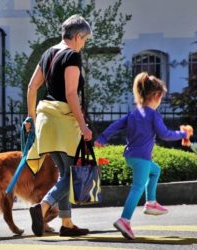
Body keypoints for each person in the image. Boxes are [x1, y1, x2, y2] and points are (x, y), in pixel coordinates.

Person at [94, 72, 193, 240]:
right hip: (142, 159)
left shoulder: (134, 113)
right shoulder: (153, 114)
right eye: (160, 98)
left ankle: (151, 202)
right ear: (155, 95)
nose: (160, 101)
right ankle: (124, 220)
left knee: (155, 170)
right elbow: (165, 134)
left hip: (130, 156)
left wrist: (102, 138)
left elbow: (116, 124)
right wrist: (182, 134)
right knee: (137, 188)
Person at [24, 14, 92, 237]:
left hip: (45, 120)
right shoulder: (72, 55)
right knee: (72, 175)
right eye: (85, 40)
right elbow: (71, 94)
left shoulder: (48, 53)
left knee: (64, 173)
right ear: (78, 36)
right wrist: (83, 126)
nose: (84, 45)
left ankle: (67, 224)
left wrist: (31, 118)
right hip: (63, 121)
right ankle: (42, 207)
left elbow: (32, 87)